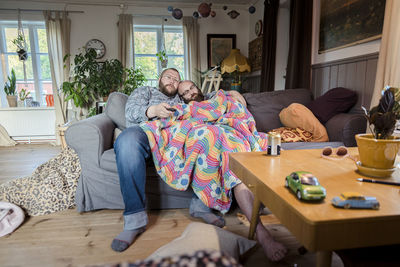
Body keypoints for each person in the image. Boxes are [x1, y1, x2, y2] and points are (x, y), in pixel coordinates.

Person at [111, 69, 225, 253]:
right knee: (126, 141)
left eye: (176, 79)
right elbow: (130, 112)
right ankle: (134, 222)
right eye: (169, 77)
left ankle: (201, 206)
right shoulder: (145, 91)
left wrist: (231, 94)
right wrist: (153, 110)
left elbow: (205, 97)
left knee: (208, 136)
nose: (173, 81)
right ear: (159, 79)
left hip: (176, 136)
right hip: (146, 131)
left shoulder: (182, 98)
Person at [177, 80, 288, 262]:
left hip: (239, 134)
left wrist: (234, 100)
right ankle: (262, 233)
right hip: (224, 141)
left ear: (198, 87)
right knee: (235, 163)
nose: (191, 93)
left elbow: (239, 107)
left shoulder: (218, 97)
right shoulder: (188, 110)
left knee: (265, 153)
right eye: (185, 93)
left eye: (192, 88)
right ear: (182, 98)